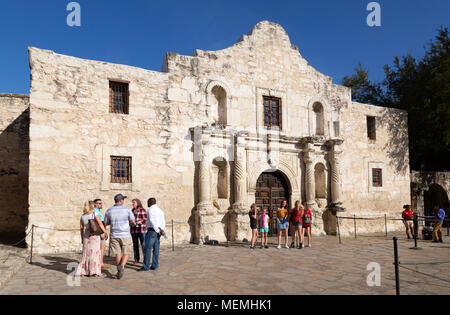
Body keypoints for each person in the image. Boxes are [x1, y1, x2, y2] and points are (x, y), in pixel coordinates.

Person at [104, 194, 136, 279]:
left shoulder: (109, 210)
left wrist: (114, 221)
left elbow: (106, 223)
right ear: (121, 201)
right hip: (125, 234)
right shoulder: (127, 209)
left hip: (114, 234)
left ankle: (119, 271)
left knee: (117, 253)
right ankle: (121, 266)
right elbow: (132, 222)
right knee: (126, 252)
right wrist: (132, 223)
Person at [75, 200, 107, 278]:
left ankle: (83, 271)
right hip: (94, 236)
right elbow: (100, 223)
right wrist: (104, 232)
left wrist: (82, 238)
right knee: (95, 253)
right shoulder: (94, 213)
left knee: (86, 254)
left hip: (86, 236)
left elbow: (81, 228)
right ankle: (94, 272)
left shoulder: (82, 216)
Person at [141, 198, 166, 271]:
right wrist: (161, 229)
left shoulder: (150, 210)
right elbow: (163, 221)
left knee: (147, 248)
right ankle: (155, 265)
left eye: (147, 202)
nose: (147, 204)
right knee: (156, 249)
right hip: (158, 231)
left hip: (152, 231)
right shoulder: (160, 210)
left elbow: (152, 220)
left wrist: (157, 230)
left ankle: (146, 266)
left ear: (150, 202)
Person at [93, 199, 109, 269]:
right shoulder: (95, 211)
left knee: (102, 247)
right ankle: (100, 263)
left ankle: (99, 262)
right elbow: (98, 223)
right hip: (100, 231)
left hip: (101, 230)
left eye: (101, 203)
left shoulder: (97, 211)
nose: (100, 205)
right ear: (95, 204)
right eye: (99, 203)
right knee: (102, 247)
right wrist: (102, 232)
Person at [131, 198, 147, 264]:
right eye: (132, 203)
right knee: (135, 245)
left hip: (141, 230)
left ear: (138, 203)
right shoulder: (132, 211)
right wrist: (131, 222)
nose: (132, 204)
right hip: (134, 230)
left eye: (133, 202)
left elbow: (145, 219)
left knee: (143, 245)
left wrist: (137, 222)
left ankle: (146, 259)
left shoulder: (142, 210)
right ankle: (136, 259)